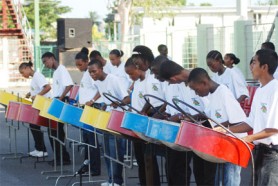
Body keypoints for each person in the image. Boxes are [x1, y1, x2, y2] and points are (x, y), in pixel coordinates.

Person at [216, 49, 278, 186]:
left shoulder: (275, 90)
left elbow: (273, 129)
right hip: (259, 151)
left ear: (264, 67)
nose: (251, 66)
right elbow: (251, 122)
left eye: (254, 62)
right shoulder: (260, 89)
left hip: (273, 155)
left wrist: (246, 139)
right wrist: (227, 130)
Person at [159, 61, 215, 186]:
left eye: (169, 81)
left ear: (173, 78)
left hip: (207, 131)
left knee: (205, 174)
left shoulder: (198, 80)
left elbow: (209, 111)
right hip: (188, 129)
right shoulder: (175, 86)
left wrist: (185, 117)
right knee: (186, 169)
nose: (169, 84)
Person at [187, 67, 247, 186]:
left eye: (196, 89)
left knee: (229, 181)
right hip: (222, 145)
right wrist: (193, 117)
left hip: (234, 145)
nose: (196, 93)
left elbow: (239, 121)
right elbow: (209, 116)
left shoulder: (224, 93)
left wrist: (218, 128)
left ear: (204, 82)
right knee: (218, 181)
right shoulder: (212, 94)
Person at [88, 60, 130, 186]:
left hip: (117, 118)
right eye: (90, 72)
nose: (92, 74)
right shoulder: (98, 82)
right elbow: (104, 96)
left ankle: (117, 181)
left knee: (115, 150)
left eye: (94, 71)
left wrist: (117, 103)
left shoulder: (114, 79)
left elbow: (127, 98)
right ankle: (111, 179)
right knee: (106, 150)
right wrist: (103, 106)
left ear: (101, 69)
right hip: (106, 117)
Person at [131, 45, 166, 186]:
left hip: (151, 121)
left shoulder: (153, 77)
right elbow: (146, 101)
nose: (136, 64)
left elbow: (157, 103)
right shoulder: (142, 79)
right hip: (140, 121)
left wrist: (145, 114)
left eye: (137, 61)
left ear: (145, 59)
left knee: (149, 160)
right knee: (141, 160)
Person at [41, 52, 72, 166]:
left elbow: (69, 85)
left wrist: (61, 98)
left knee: (55, 131)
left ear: (52, 58)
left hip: (61, 101)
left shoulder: (61, 69)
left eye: (45, 61)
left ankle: (63, 158)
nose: (45, 65)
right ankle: (61, 157)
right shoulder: (56, 71)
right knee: (54, 131)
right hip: (57, 100)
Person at [75, 47, 101, 176]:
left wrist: (91, 100)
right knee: (86, 140)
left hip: (92, 108)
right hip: (85, 109)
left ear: (86, 62)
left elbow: (100, 89)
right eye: (77, 65)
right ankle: (87, 165)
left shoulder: (91, 74)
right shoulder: (86, 74)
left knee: (92, 140)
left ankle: (95, 168)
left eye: (80, 64)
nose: (78, 67)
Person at [18, 61, 51, 158]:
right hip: (38, 104)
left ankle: (42, 150)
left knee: (35, 125)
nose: (23, 75)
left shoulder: (37, 76)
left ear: (27, 68)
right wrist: (30, 93)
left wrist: (37, 96)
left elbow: (47, 87)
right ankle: (39, 148)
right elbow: (37, 88)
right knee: (33, 126)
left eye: (22, 72)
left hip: (43, 104)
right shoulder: (34, 78)